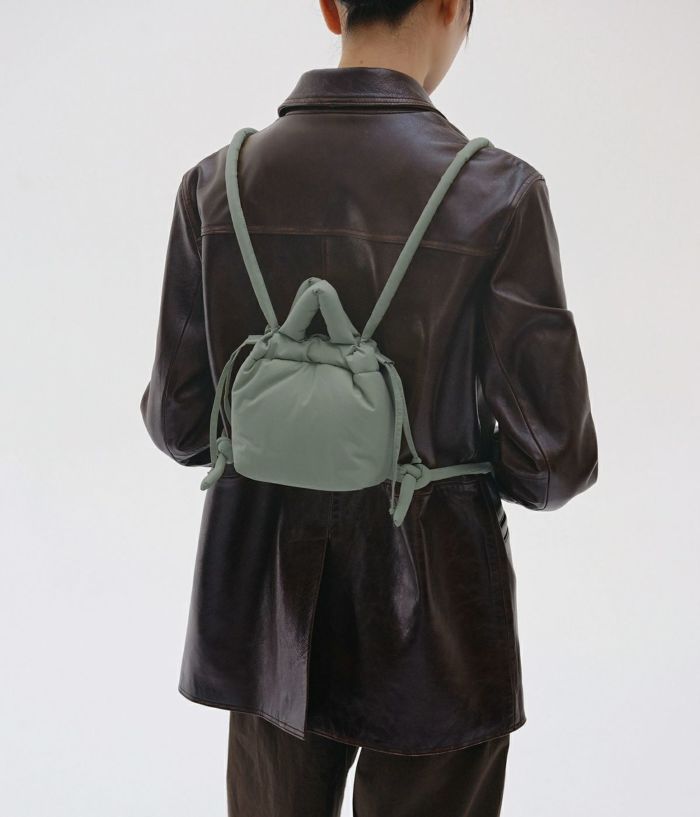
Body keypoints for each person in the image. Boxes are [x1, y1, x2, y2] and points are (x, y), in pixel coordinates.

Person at [139, 0, 599, 814]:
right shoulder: (497, 193)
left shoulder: (216, 186)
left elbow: (181, 427)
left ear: (329, 6)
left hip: (267, 615)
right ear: (454, 7)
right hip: (440, 624)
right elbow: (553, 462)